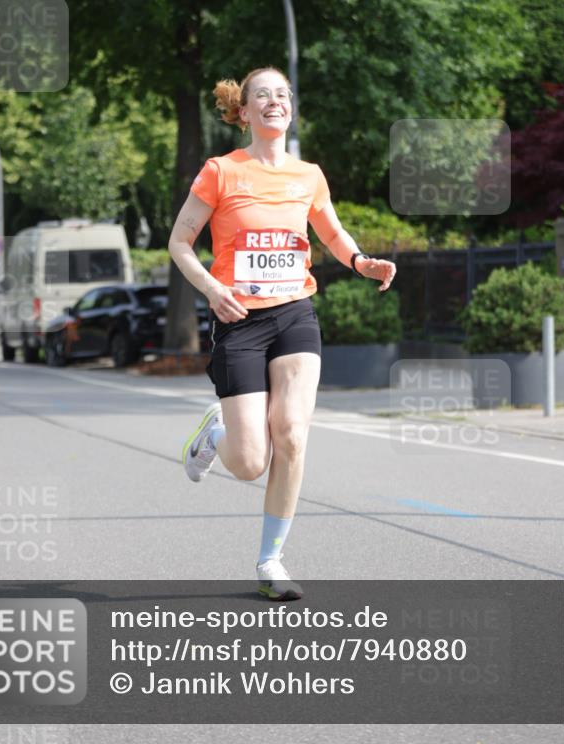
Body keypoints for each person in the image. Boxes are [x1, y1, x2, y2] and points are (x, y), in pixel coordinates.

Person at [168, 67, 396, 601]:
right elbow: (180, 242)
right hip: (239, 320)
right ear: (244, 112)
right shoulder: (221, 171)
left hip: (295, 313)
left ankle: (271, 561)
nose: (275, 101)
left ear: (290, 108)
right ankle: (215, 435)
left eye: (283, 94)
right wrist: (211, 289)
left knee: (292, 435)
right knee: (250, 463)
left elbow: (332, 231)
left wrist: (360, 260)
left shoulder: (308, 175)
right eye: (263, 95)